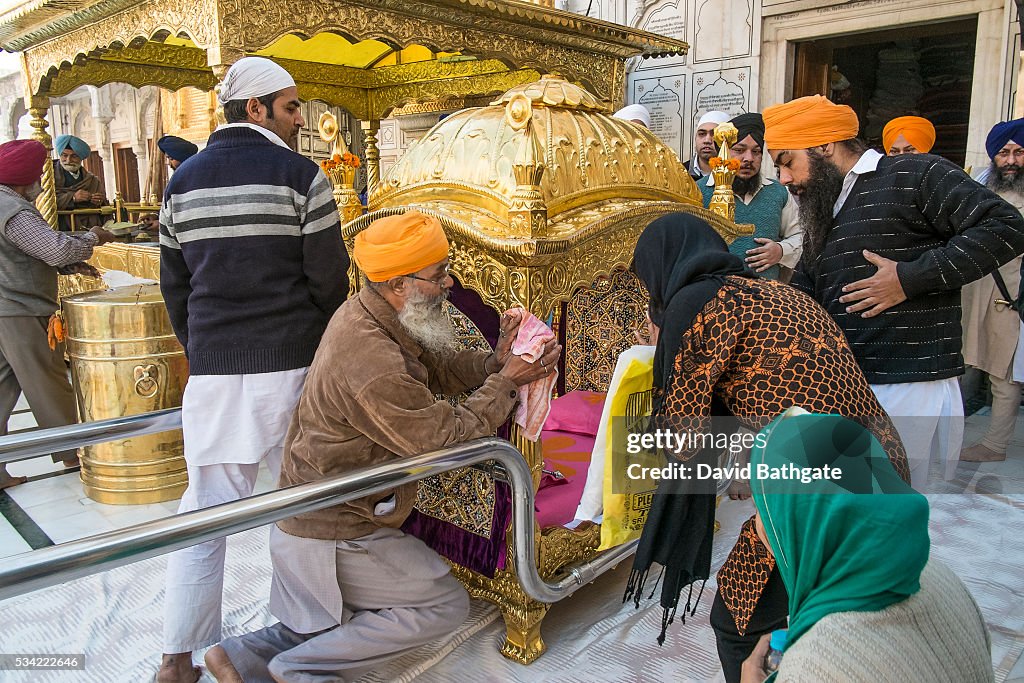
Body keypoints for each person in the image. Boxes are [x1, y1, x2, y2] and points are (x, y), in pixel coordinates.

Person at [203, 210, 561, 683]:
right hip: (332, 526)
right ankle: (298, 670)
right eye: (438, 276)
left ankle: (240, 659)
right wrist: (507, 383)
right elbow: (444, 441)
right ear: (398, 284)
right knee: (444, 604)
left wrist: (493, 363)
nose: (449, 283)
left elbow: (437, 367)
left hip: (320, 511)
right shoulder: (369, 353)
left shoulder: (375, 313)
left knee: (334, 617)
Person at [625, 214, 909, 683]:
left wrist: (663, 356)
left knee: (737, 621)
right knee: (811, 612)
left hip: (817, 497)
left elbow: (682, 433)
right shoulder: (779, 294)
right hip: (882, 467)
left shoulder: (694, 303)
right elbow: (771, 389)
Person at [157, 56, 350, 683]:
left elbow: (175, 288)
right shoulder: (301, 176)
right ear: (257, 108)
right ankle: (305, 643)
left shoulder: (181, 182)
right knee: (303, 507)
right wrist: (323, 352)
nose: (302, 120)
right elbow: (329, 281)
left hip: (214, 376)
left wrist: (208, 351)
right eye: (292, 107)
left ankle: (177, 660)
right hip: (291, 368)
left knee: (205, 512)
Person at [763, 95, 1024, 490]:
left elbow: (1006, 227)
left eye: (786, 161)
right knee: (851, 515)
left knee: (892, 513)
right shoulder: (825, 202)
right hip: (847, 385)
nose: (783, 178)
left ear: (823, 146)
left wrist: (909, 279)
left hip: (908, 385)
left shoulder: (915, 173)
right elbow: (808, 285)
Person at [739, 410, 993, 683]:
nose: (758, 524)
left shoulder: (815, 664)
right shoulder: (934, 572)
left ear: (801, 523)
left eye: (764, 509)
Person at [0, 139, 114, 489]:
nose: (40, 184)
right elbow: (53, 249)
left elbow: (23, 255)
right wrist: (92, 237)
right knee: (48, 381)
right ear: (28, 178)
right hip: (20, 311)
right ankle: (74, 450)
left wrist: (73, 265)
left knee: (3, 390)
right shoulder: (13, 208)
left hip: (7, 308)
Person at [959, 118, 1024, 463]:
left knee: (1005, 373)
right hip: (975, 293)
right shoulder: (978, 191)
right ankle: (952, 433)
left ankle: (995, 446)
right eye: (1004, 153)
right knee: (967, 363)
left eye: (1018, 152)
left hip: (1013, 298)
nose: (1011, 160)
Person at [698, 112, 802, 280]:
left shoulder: (778, 192)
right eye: (739, 150)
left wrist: (781, 251)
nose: (748, 159)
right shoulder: (698, 192)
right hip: (713, 296)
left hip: (766, 299)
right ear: (722, 152)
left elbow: (799, 235)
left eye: (756, 152)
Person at [52, 134, 107, 230]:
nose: (68, 160)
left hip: (87, 228)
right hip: (60, 228)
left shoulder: (91, 180)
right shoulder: (48, 176)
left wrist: (98, 201)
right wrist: (72, 198)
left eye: (74, 156)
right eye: (64, 155)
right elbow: (42, 201)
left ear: (81, 158)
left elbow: (103, 204)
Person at [684, 110, 731, 180]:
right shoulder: (681, 171)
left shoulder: (734, 173)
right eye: (702, 134)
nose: (707, 140)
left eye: (714, 134)